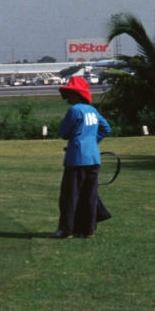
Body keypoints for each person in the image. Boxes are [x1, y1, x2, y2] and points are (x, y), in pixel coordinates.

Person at [53, 74, 111, 238]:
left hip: (76, 158)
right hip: (93, 157)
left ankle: (66, 230)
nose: (67, 98)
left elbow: (63, 132)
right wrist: (92, 141)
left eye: (70, 94)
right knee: (89, 195)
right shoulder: (93, 110)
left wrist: (77, 142)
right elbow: (106, 128)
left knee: (69, 196)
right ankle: (88, 230)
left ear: (77, 94)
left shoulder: (74, 110)